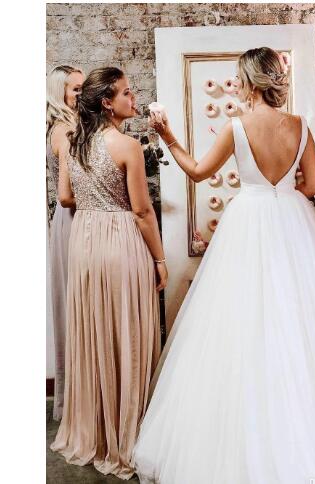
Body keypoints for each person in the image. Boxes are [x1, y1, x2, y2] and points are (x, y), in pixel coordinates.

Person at [133, 47, 315, 484]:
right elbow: (313, 184)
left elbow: (197, 172)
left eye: (240, 78)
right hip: (294, 222)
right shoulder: (299, 125)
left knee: (244, 320)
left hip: (249, 219)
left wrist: (168, 136)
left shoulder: (237, 127)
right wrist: (283, 186)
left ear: (250, 82)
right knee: (304, 320)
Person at [50, 67, 167, 479]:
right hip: (120, 240)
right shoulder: (127, 146)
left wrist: (92, 201)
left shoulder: (73, 143)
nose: (134, 98)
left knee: (95, 331)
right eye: (127, 93)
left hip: (84, 243)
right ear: (107, 102)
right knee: (128, 332)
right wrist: (160, 260)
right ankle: (127, 433)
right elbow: (142, 211)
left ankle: (94, 432)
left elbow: (65, 197)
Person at [46, 64, 84, 421]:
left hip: (75, 217)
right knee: (76, 304)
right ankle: (76, 401)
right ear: (60, 93)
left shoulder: (73, 126)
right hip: (73, 219)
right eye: (75, 89)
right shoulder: (65, 131)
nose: (82, 94)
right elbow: (68, 193)